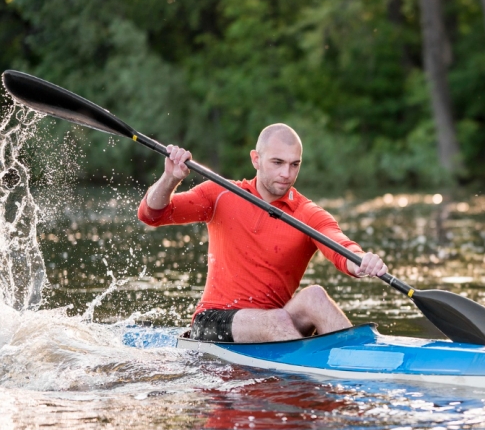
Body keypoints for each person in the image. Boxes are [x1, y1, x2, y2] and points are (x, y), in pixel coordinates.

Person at [137, 123, 387, 343]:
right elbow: (152, 215)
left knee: (315, 296)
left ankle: (360, 362)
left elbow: (340, 245)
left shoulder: (307, 213)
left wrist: (361, 261)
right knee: (276, 320)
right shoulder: (220, 194)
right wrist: (170, 178)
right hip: (213, 321)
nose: (286, 174)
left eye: (294, 164)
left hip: (275, 325)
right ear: (256, 159)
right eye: (277, 163)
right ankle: (309, 371)